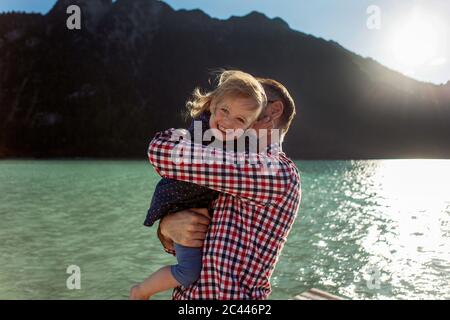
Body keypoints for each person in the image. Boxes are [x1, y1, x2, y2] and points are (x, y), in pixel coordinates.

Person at [150, 77, 302, 299]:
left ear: (273, 111)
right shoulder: (226, 158)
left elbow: (160, 151)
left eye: (249, 107)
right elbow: (192, 240)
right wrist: (165, 228)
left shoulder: (277, 171)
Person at [130, 70, 267, 300]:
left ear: (250, 126)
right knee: (188, 272)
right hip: (181, 204)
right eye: (224, 110)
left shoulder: (236, 144)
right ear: (212, 104)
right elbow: (174, 150)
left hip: (190, 206)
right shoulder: (200, 133)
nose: (228, 122)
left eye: (241, 120)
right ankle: (141, 291)